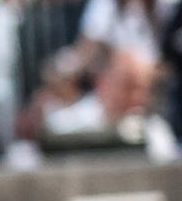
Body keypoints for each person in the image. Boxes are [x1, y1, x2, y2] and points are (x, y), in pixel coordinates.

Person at [41, 46, 178, 162]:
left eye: (143, 90)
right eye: (129, 87)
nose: (137, 97)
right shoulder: (68, 120)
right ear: (105, 83)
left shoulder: (155, 130)